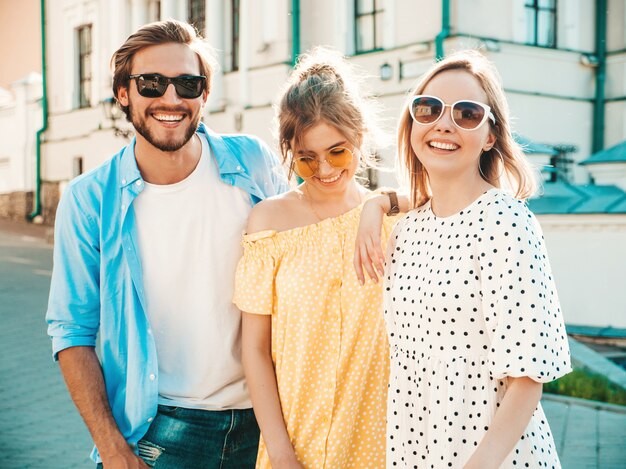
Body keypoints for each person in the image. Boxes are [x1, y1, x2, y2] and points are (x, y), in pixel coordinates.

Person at [46, 19, 287, 468]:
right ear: (123, 93)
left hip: (268, 423)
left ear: (205, 95)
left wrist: (383, 203)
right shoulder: (89, 200)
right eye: (151, 84)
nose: (171, 99)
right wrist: (114, 448)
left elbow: (314, 226)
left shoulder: (253, 163)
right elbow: (72, 332)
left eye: (188, 83)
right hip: (160, 432)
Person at [382, 50, 571, 468]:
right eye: (427, 109)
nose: (443, 124)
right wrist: (374, 206)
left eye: (466, 113)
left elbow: (526, 381)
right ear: (412, 122)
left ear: (489, 135)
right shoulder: (406, 230)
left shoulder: (506, 222)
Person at [233, 48, 399, 469]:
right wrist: (282, 452)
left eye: (338, 152)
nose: (324, 169)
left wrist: (378, 205)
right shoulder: (269, 222)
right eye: (306, 158)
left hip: (379, 443)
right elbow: (254, 350)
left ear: (359, 136)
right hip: (296, 444)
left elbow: (454, 197)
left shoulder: (392, 221)